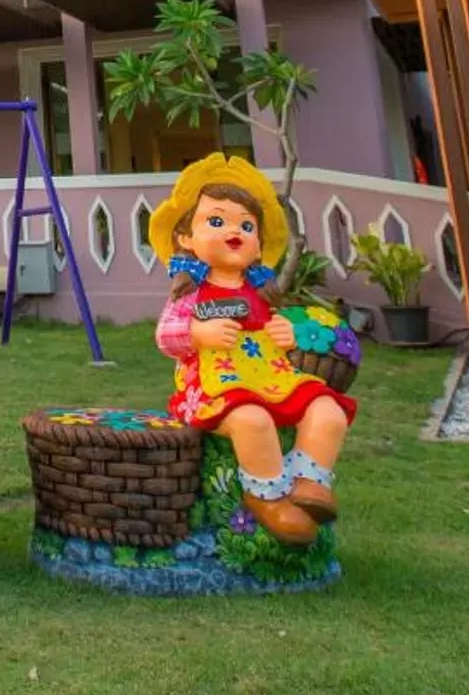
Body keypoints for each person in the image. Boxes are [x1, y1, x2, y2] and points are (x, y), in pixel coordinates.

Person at [148, 153, 355, 545]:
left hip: (273, 378)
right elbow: (165, 335)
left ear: (258, 245)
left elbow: (280, 329)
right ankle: (266, 496)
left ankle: (308, 481)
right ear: (185, 239)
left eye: (246, 225)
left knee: (327, 410)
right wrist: (200, 333)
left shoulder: (259, 291)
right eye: (216, 221)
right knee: (251, 420)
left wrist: (285, 333)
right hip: (214, 388)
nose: (234, 231)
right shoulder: (192, 292)